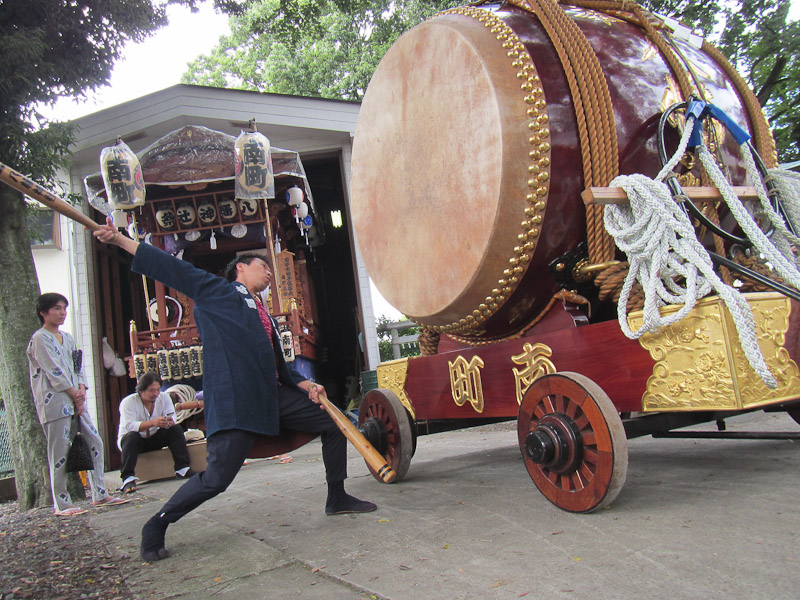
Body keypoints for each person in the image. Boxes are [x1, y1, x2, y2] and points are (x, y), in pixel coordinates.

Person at [93, 217, 376, 562]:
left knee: (331, 423)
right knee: (216, 479)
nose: (269, 272)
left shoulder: (263, 312)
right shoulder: (217, 293)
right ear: (240, 268)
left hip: (272, 395)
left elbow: (278, 365)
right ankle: (157, 523)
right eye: (262, 265)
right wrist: (120, 241)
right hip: (237, 401)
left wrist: (304, 383)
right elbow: (170, 267)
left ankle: (337, 496)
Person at [27, 293, 130, 516]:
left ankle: (99, 493)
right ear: (43, 312)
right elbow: (53, 370)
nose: (62, 312)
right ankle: (62, 504)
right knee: (59, 452)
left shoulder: (67, 337)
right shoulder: (40, 339)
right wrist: (74, 393)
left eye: (64, 308)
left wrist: (81, 388)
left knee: (95, 441)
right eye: (57, 308)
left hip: (76, 400)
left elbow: (78, 365)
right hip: (54, 402)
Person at [118, 372, 194, 494]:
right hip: (134, 441)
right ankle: (127, 478)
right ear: (141, 390)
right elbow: (130, 425)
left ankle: (182, 468)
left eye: (158, 390)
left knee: (175, 429)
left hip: (155, 437)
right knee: (131, 436)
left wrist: (169, 422)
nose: (156, 394)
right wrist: (153, 423)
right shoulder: (128, 402)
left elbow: (172, 416)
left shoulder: (164, 398)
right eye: (151, 390)